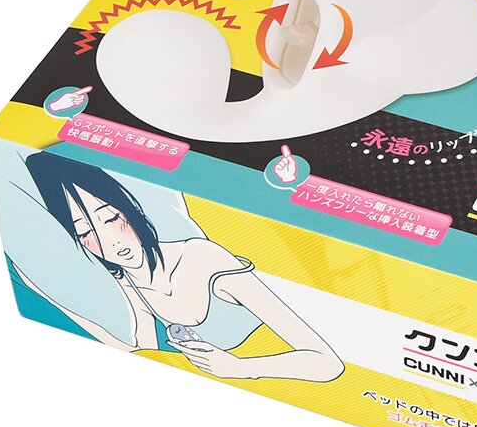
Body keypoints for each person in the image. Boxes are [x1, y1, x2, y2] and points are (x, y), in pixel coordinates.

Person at [21, 151, 344, 383]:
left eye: (111, 219)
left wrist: (241, 368)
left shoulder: (203, 260)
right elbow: (146, 349)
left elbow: (328, 364)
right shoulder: (127, 276)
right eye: (86, 233)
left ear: (130, 209)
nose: (112, 244)